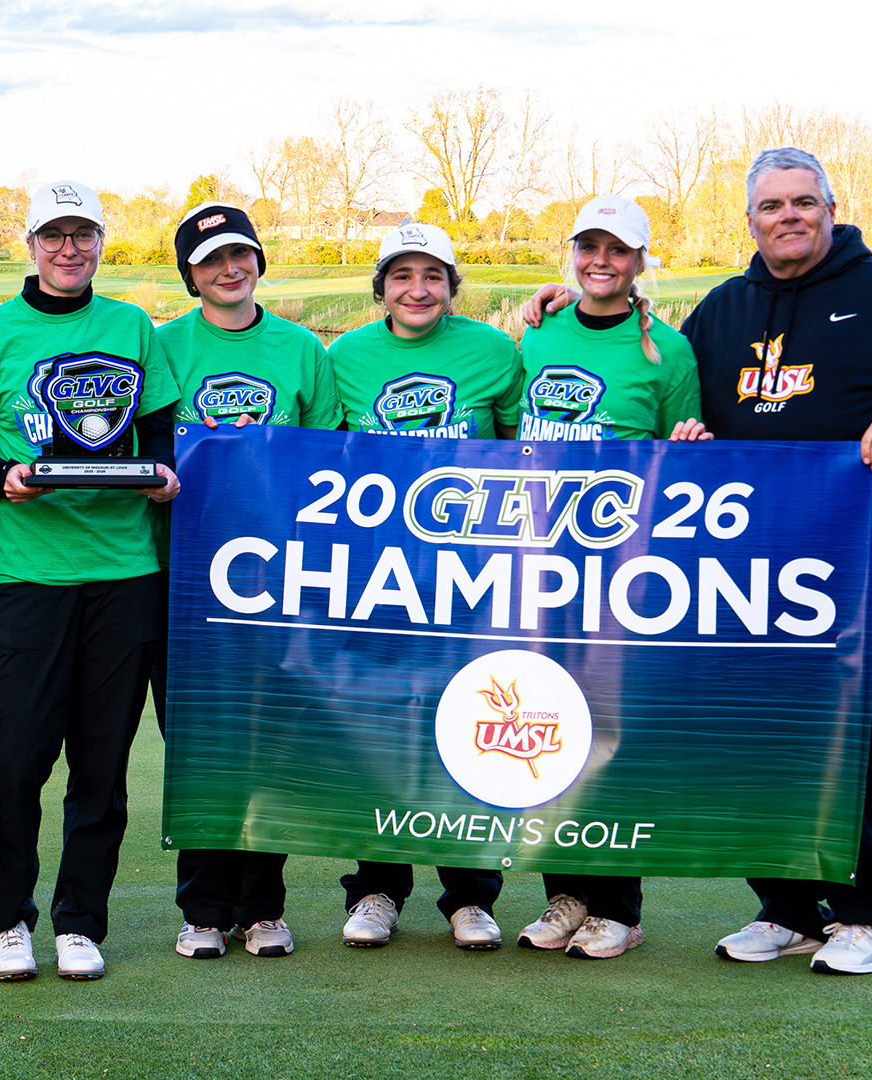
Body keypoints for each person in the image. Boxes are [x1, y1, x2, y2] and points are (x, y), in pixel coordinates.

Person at [525, 148, 872, 974]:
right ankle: (788, 907)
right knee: (756, 733)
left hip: (864, 560)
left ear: (829, 206)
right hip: (747, 571)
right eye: (770, 207)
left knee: (867, 735)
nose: (787, 216)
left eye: (802, 202)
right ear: (749, 221)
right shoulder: (724, 309)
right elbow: (654, 369)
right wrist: (568, 304)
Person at [0, 180, 181, 981]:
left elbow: (161, 445)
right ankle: (9, 921)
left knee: (102, 766)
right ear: (30, 244)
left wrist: (164, 480)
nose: (68, 249)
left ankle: (81, 922)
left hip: (126, 576)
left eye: (83, 235)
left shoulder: (131, 326)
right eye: (54, 235)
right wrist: (7, 476)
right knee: (12, 760)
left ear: (102, 243)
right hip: (28, 579)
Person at [497, 194, 706, 959]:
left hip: (621, 573)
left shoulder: (668, 352)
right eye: (589, 247)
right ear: (573, 254)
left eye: (617, 250)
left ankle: (618, 905)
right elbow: (499, 428)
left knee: (612, 730)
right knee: (546, 726)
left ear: (639, 262)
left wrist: (689, 443)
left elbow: (684, 458)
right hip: (533, 565)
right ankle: (566, 898)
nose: (600, 262)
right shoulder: (537, 329)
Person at [154, 202, 342, 961]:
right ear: (190, 274)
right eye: (210, 261)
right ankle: (203, 908)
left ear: (258, 260)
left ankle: (263, 907)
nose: (229, 270)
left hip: (278, 581)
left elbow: (330, 458)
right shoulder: (163, 345)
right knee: (197, 741)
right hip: (188, 578)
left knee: (272, 743)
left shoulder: (301, 348)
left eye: (241, 255)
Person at [327, 222, 520, 951]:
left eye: (433, 275)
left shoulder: (496, 351)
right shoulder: (344, 355)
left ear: (451, 286)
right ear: (382, 287)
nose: (418, 289)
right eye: (402, 275)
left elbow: (520, 447)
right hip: (377, 580)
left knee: (472, 729)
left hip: (471, 579)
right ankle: (377, 889)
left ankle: (470, 895)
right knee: (382, 729)